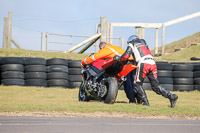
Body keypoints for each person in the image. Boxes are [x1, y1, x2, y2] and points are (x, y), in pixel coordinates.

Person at [118, 35, 178, 108]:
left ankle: (145, 103)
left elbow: (126, 55)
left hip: (143, 63)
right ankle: (171, 96)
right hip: (152, 63)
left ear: (128, 41)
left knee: (137, 84)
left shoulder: (131, 43)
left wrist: (119, 59)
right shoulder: (144, 42)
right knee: (156, 85)